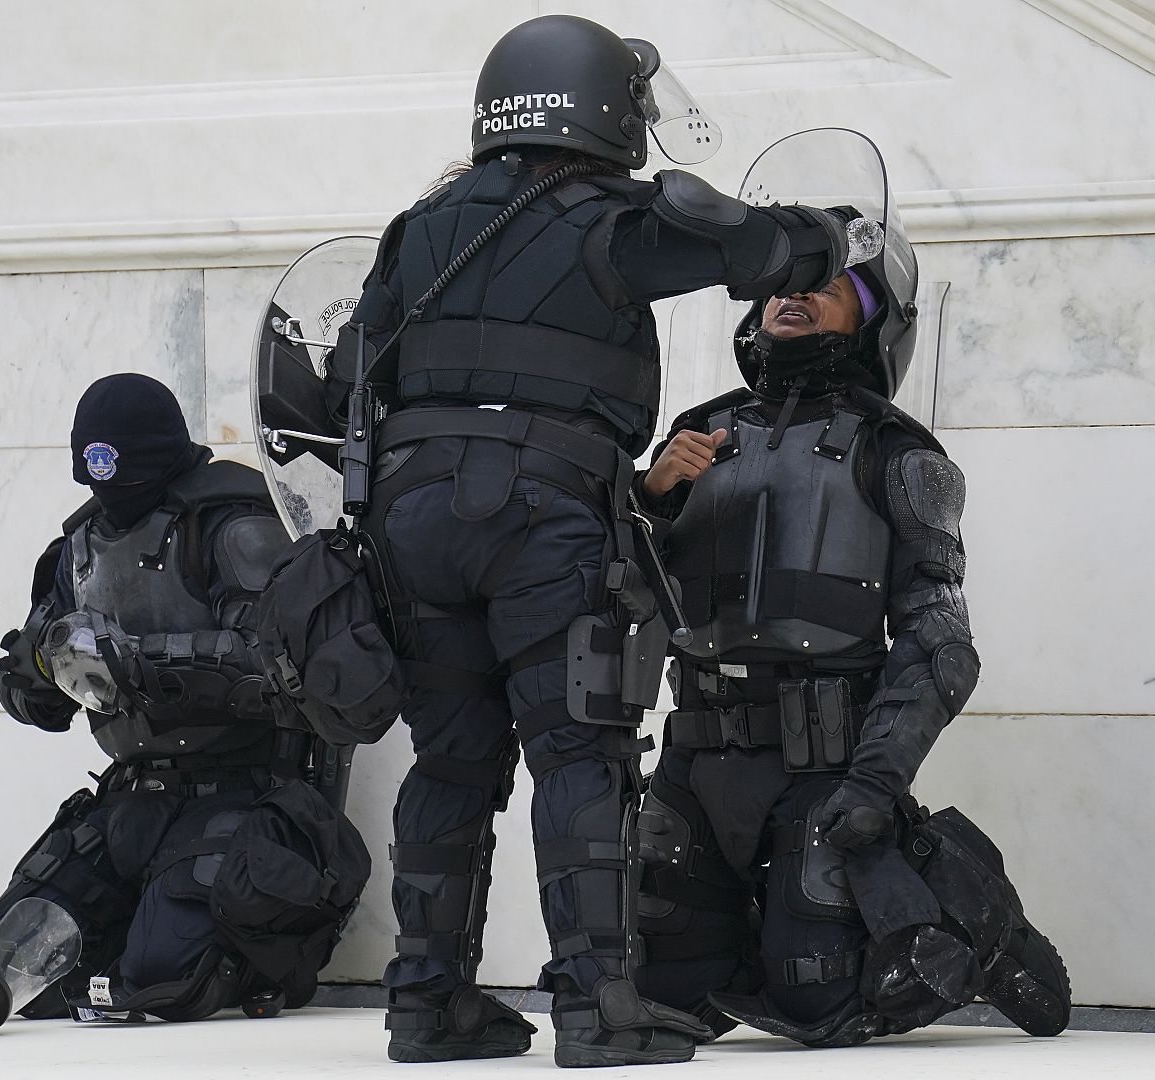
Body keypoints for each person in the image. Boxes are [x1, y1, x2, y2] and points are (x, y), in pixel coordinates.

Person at [322, 14, 856, 1067]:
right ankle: (598, 1013)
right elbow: (775, 252)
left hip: (413, 515)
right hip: (541, 506)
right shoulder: (611, 217)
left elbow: (349, 373)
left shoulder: (420, 224)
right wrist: (822, 234)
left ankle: (426, 1009)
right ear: (606, 108)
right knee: (580, 752)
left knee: (451, 762)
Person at [633, 238, 1073, 1046]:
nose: (792, 296)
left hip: (823, 770)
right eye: (782, 285)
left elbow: (941, 643)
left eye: (826, 285)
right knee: (662, 995)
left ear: (875, 318)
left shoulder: (897, 451)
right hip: (696, 761)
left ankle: (977, 923)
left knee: (818, 1005)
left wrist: (874, 785)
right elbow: (612, 594)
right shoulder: (695, 438)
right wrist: (650, 500)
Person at [0, 372, 366, 1022]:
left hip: (239, 788)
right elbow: (39, 704)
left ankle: (247, 958)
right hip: (130, 798)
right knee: (12, 968)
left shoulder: (230, 526)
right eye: (96, 473)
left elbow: (281, 669)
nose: (112, 492)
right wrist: (37, 669)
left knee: (165, 981)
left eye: (123, 474)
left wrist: (141, 664)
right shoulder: (78, 548)